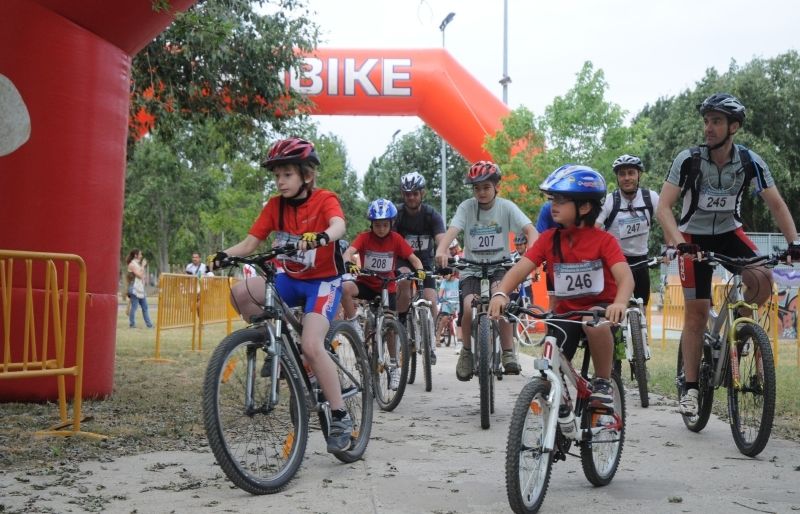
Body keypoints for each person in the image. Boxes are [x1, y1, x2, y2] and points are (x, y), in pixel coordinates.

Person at [656, 93, 800, 417]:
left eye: (716, 121)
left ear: (733, 126)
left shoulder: (750, 161)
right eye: (706, 121)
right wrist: (679, 242)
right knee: (696, 312)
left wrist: (794, 242)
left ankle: (742, 334)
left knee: (763, 280)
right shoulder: (688, 159)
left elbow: (775, 203)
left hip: (729, 234)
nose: (708, 127)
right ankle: (691, 387)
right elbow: (663, 208)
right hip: (692, 237)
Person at [209, 137, 353, 453]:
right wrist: (222, 255)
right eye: (277, 176)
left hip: (323, 283)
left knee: (313, 345)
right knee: (240, 294)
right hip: (289, 278)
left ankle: (341, 414)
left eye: (287, 174)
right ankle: (275, 344)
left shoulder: (324, 198)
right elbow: (250, 244)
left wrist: (323, 237)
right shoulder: (275, 205)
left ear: (306, 175)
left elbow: (339, 225)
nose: (280, 181)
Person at [488, 164, 634, 412]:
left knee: (593, 322)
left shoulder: (604, 240)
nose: (553, 205)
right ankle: (556, 401)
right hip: (566, 313)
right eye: (553, 198)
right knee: (550, 354)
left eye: (562, 200)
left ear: (585, 207)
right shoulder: (548, 239)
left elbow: (626, 278)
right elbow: (519, 269)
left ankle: (602, 383)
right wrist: (501, 292)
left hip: (600, 310)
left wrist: (620, 303)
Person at [434, 160, 537, 380]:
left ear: (496, 186)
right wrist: (442, 249)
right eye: (476, 188)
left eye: (486, 187)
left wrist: (533, 253)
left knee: (501, 301)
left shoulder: (506, 207)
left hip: (500, 266)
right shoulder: (466, 207)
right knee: (468, 307)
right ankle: (467, 352)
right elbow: (453, 230)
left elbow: (530, 230)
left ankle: (508, 352)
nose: (481, 192)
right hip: (471, 267)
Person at [341, 198, 425, 388]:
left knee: (390, 326)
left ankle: (394, 366)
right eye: (377, 225)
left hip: (388, 287)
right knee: (345, 288)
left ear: (391, 224)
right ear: (371, 224)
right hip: (366, 283)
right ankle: (354, 323)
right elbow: (349, 252)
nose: (380, 229)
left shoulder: (396, 239)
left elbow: (413, 258)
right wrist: (348, 263)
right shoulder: (364, 237)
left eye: (385, 225)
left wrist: (419, 271)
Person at [597, 154, 660, 307]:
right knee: (613, 307)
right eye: (622, 174)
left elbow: (666, 219)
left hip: (641, 259)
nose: (626, 178)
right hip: (615, 260)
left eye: (631, 173)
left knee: (642, 306)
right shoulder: (610, 201)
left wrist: (672, 246)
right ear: (617, 178)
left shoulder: (650, 198)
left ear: (639, 175)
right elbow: (595, 229)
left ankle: (640, 330)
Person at [393, 171, 446, 349]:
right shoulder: (397, 214)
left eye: (415, 193)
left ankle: (431, 338)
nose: (411, 198)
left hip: (425, 261)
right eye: (407, 194)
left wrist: (443, 255)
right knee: (404, 283)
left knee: (431, 299)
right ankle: (401, 325)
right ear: (403, 194)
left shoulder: (432, 215)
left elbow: (441, 240)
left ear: (422, 193)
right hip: (403, 260)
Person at [126, 249, 153, 328]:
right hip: (134, 288)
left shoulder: (137, 264)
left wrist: (142, 268)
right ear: (135, 255)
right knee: (134, 307)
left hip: (140, 288)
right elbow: (139, 275)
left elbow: (142, 275)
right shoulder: (132, 264)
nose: (141, 256)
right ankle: (132, 324)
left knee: (145, 307)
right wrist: (143, 266)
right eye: (140, 254)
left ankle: (149, 325)